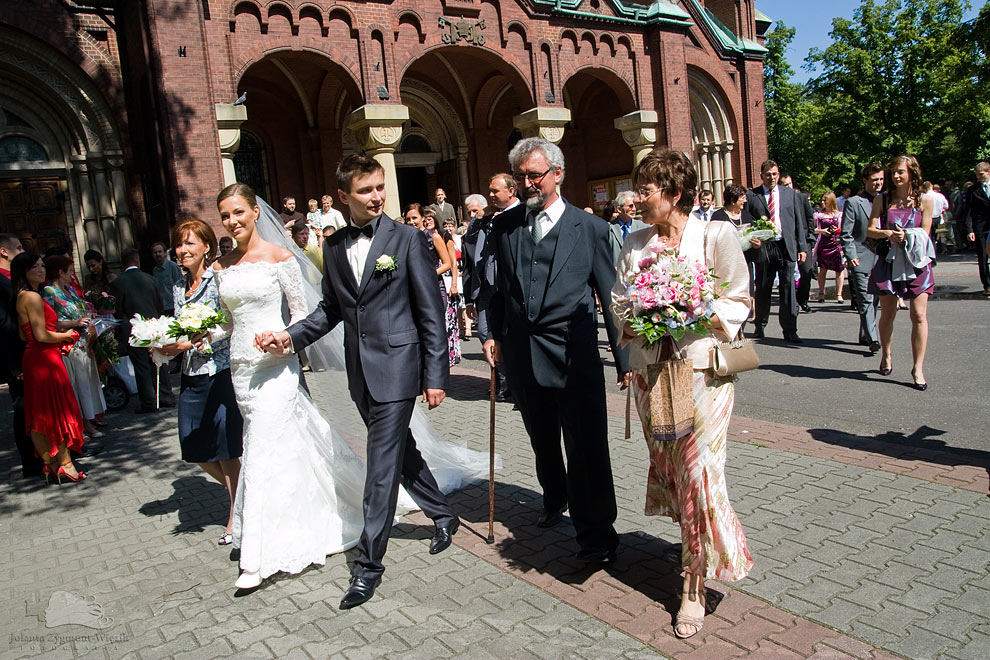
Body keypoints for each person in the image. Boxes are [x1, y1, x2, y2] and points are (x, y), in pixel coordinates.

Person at [258, 153, 463, 609]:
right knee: (399, 450)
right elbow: (331, 310)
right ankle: (442, 512)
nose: (376, 196)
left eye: (379, 187)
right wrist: (288, 337)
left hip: (399, 367)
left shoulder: (407, 238)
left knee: (381, 465)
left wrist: (435, 375)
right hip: (360, 372)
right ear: (345, 196)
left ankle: (368, 565)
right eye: (365, 190)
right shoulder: (332, 247)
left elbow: (430, 312)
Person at [612, 149, 752, 639]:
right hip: (655, 376)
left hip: (703, 373)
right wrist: (641, 315)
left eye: (646, 190)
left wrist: (690, 305)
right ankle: (693, 545)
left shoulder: (715, 235)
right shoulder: (633, 244)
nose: (636, 198)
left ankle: (693, 586)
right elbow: (620, 303)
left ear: (673, 194)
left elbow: (739, 300)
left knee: (699, 472)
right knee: (675, 474)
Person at [480, 137, 627, 563]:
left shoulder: (592, 229)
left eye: (534, 175)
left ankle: (597, 534)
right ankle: (553, 496)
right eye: (521, 176)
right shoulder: (504, 228)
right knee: (542, 439)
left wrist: (625, 360)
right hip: (523, 358)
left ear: (557, 175)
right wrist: (490, 334)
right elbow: (495, 291)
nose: (527, 183)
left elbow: (610, 298)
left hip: (574, 356)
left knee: (586, 447)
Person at [157, 218, 243, 546]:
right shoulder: (179, 287)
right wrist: (164, 342)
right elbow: (180, 327)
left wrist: (198, 338)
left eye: (189, 243)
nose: (182, 250)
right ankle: (244, 490)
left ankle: (236, 515)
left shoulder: (217, 279)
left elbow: (230, 323)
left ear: (206, 247)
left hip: (220, 371)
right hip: (191, 373)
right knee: (193, 446)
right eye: (179, 244)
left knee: (225, 447)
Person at [11, 252, 87, 483]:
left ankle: (51, 464)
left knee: (40, 414)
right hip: (44, 359)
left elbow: (25, 337)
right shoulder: (32, 297)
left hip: (36, 357)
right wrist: (68, 336)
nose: (41, 270)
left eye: (42, 265)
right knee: (56, 412)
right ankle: (65, 464)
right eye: (35, 267)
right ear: (24, 271)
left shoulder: (23, 296)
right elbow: (41, 335)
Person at [867, 155, 934, 390]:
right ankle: (886, 354)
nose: (896, 176)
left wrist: (908, 236)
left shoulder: (924, 201)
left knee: (918, 315)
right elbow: (871, 229)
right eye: (893, 172)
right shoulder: (882, 200)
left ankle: (918, 368)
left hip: (916, 263)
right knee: (887, 314)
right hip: (889, 261)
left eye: (901, 172)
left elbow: (925, 233)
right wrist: (887, 234)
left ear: (912, 173)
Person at [42, 255, 106, 437]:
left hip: (83, 340)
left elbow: (79, 309)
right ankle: (83, 423)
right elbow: (49, 321)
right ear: (60, 272)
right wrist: (74, 323)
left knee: (88, 381)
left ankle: (91, 417)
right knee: (79, 384)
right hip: (68, 343)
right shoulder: (49, 292)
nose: (73, 275)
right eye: (70, 271)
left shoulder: (69, 289)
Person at [745, 160, 809, 342]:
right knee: (764, 287)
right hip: (765, 247)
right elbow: (748, 222)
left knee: (788, 288)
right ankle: (760, 324)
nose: (771, 178)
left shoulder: (790, 195)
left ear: (778, 175)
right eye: (767, 174)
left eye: (774, 174)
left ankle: (790, 329)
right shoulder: (753, 196)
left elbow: (798, 223)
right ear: (761, 176)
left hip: (786, 246)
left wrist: (802, 247)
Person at [111, 248, 176, 412]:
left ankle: (148, 401)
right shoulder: (150, 279)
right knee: (158, 361)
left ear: (122, 263)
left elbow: (117, 309)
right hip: (152, 325)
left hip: (133, 328)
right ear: (138, 260)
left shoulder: (118, 283)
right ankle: (166, 397)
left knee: (141, 365)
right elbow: (159, 303)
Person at [0, 233, 39, 477]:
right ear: (3, 251)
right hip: (16, 357)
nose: (22, 250)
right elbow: (3, 327)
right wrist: (15, 366)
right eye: (18, 247)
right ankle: (30, 460)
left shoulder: (13, 279)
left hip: (29, 353)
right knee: (23, 405)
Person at [406, 205, 460, 367]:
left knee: (435, 327)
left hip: (434, 287)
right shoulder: (405, 238)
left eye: (414, 218)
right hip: (413, 289)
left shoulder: (433, 237)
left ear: (423, 218)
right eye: (408, 219)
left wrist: (427, 274)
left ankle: (439, 366)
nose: (411, 222)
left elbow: (447, 263)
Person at [840, 163, 884, 354]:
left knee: (874, 300)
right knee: (865, 299)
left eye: (881, 179)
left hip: (882, 258)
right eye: (874, 180)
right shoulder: (854, 202)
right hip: (860, 257)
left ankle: (865, 333)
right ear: (865, 180)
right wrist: (851, 255)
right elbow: (846, 233)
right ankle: (874, 339)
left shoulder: (886, 200)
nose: (878, 183)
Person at [711, 184, 762, 299]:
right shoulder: (718, 216)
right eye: (742, 198)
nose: (745, 201)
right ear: (733, 200)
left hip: (745, 260)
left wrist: (757, 244)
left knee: (747, 293)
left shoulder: (747, 215)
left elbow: (753, 234)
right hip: (727, 262)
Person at [782, 175, 818, 313]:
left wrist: (811, 237)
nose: (788, 187)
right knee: (789, 274)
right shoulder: (780, 200)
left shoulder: (802, 198)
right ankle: (791, 303)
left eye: (789, 184)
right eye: (785, 185)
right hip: (789, 241)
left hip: (805, 241)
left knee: (806, 272)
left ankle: (802, 299)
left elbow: (810, 218)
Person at [813, 192, 847, 303]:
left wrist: (837, 232)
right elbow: (811, 229)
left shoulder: (839, 215)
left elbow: (843, 230)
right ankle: (821, 293)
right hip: (823, 244)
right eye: (822, 200)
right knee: (822, 269)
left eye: (825, 200)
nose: (822, 202)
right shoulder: (818, 215)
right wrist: (822, 231)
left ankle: (839, 294)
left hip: (836, 244)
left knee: (839, 269)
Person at [963, 162, 990, 296]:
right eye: (977, 175)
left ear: (988, 172)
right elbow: (968, 211)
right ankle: (987, 284)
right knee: (983, 256)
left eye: (981, 174)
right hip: (980, 227)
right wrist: (969, 230)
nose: (978, 177)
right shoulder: (973, 190)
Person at [608, 190, 648, 264]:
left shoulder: (644, 227)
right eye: (630, 206)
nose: (634, 209)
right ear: (619, 209)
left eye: (635, 205)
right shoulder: (609, 228)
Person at [151, 242, 184, 317]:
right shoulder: (155, 271)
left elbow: (181, 286)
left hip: (174, 306)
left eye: (160, 251)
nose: (158, 254)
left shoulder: (173, 267)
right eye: (155, 252)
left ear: (165, 253)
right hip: (162, 308)